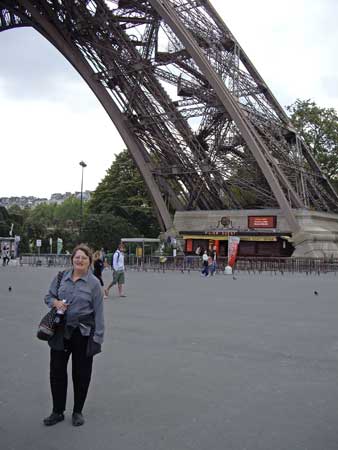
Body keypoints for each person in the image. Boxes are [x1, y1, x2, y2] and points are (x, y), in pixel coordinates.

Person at [43, 244, 104, 427]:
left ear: (89, 261)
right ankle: (57, 411)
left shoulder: (93, 283)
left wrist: (98, 337)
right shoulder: (61, 277)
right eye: (77, 257)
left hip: (83, 332)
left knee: (81, 373)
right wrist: (55, 303)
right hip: (60, 330)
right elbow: (48, 297)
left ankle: (77, 411)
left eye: (84, 258)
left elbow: (99, 312)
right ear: (72, 259)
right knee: (57, 372)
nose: (80, 260)